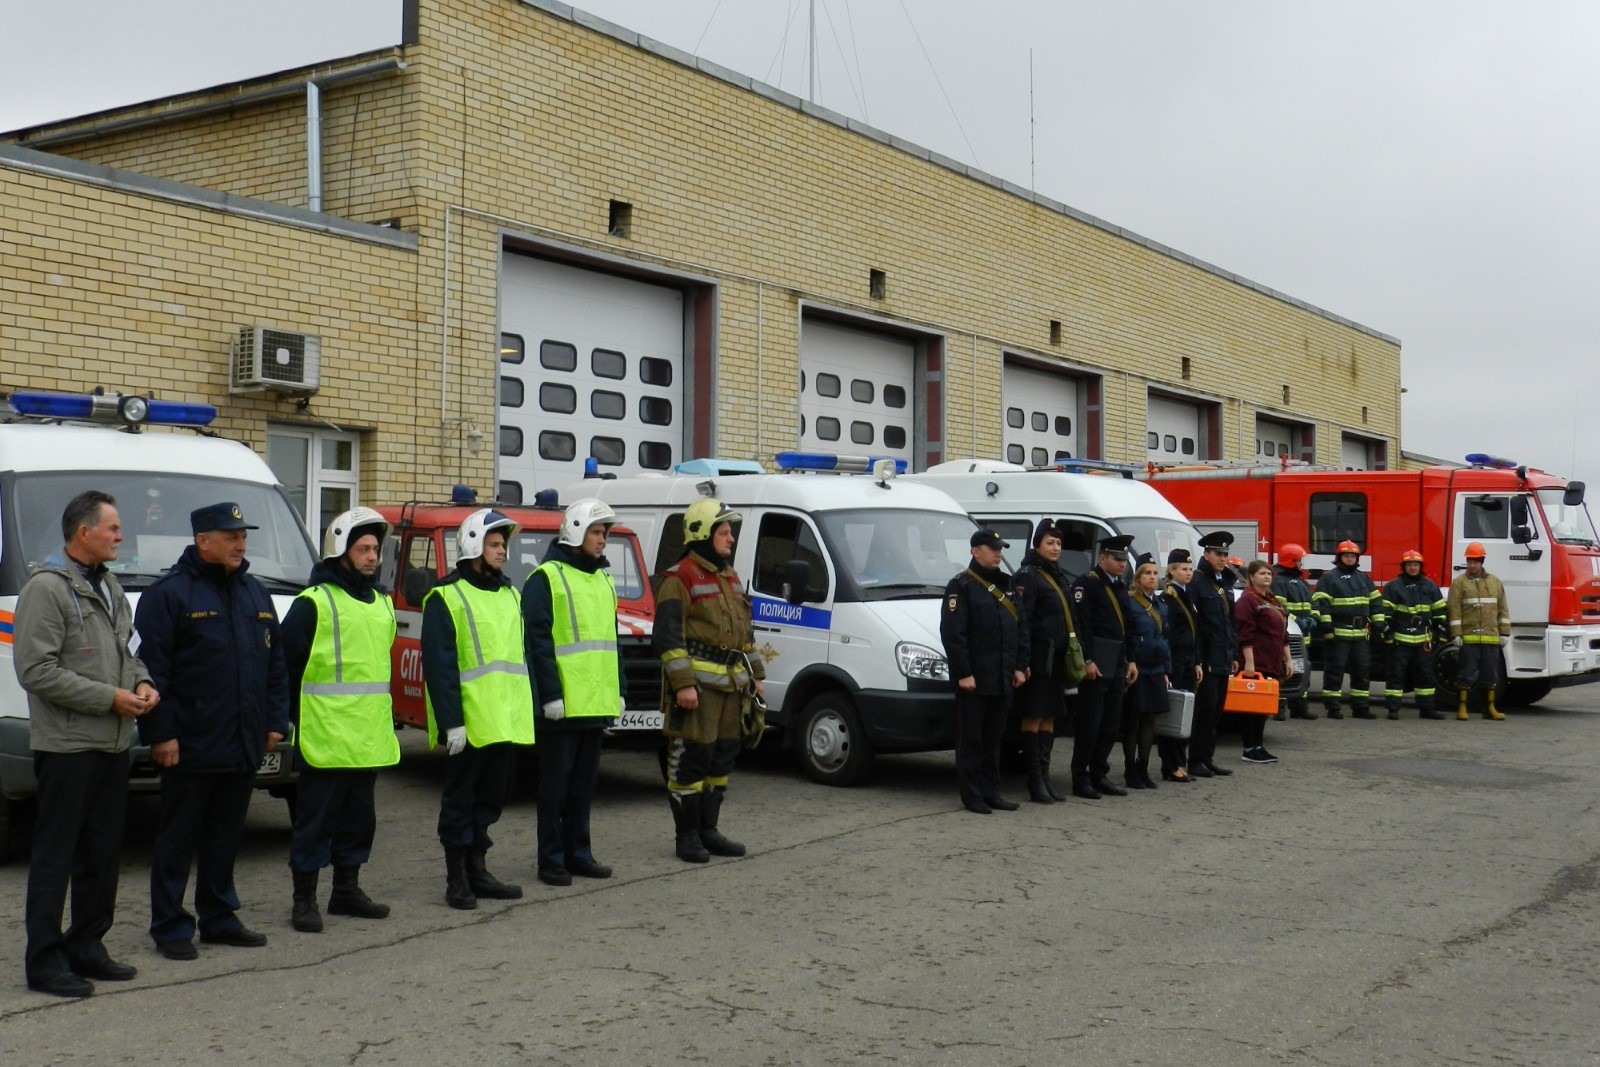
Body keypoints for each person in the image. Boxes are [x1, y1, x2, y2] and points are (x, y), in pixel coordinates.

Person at [14, 491, 157, 997]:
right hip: (69, 747)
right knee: (57, 856)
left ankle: (88, 946)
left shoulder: (111, 586)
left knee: (101, 853)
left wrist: (141, 684)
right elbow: (35, 671)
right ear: (84, 533)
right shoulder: (47, 589)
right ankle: (46, 963)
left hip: (113, 744)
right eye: (114, 528)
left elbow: (130, 651)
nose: (121, 536)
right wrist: (109, 698)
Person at [135, 502, 290, 960]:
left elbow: (274, 665)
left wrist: (274, 722)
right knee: (179, 838)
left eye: (243, 535)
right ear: (203, 540)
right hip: (190, 743)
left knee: (225, 836)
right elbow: (150, 671)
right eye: (230, 536)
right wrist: (161, 733)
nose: (241, 543)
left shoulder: (255, 594)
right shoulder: (169, 595)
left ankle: (219, 917)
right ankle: (170, 926)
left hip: (242, 740)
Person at [281, 507, 399, 934]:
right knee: (314, 825)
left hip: (366, 737)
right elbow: (284, 667)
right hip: (326, 737)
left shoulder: (382, 604)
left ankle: (346, 891)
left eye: (375, 549)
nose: (372, 557)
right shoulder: (314, 603)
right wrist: (284, 720)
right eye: (363, 549)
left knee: (358, 821)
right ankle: (304, 900)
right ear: (340, 551)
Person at [423, 507, 536, 909]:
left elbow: (518, 659)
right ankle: (457, 878)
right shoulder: (445, 597)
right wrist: (452, 722)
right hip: (469, 724)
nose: (502, 550)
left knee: (491, 799)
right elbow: (440, 667)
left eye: (503, 543)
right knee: (460, 801)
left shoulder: (510, 594)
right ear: (473, 545)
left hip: (504, 720)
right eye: (494, 543)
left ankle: (478, 868)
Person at [523, 498, 625, 886]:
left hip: (594, 701)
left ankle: (578, 853)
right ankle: (550, 859)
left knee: (583, 787)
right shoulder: (546, 578)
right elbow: (537, 642)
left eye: (605, 533)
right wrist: (549, 695)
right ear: (577, 532)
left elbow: (610, 641)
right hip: (562, 706)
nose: (602, 540)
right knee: (555, 788)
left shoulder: (603, 578)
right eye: (597, 532)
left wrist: (620, 690)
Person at [656, 498, 766, 856]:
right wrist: (683, 683)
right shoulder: (679, 577)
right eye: (723, 531)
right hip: (698, 691)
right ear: (702, 533)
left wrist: (757, 675)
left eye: (729, 531)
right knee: (692, 758)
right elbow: (668, 638)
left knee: (721, 758)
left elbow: (744, 633)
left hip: (732, 689)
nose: (730, 538)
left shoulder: (729, 576)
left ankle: (709, 830)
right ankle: (686, 836)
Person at [940, 528, 1027, 814]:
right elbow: (954, 634)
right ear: (975, 551)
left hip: (1001, 676)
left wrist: (1018, 666)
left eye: (1000, 547)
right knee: (972, 740)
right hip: (975, 678)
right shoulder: (961, 586)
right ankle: (972, 795)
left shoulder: (1007, 584)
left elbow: (1019, 628)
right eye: (993, 548)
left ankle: (991, 791)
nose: (999, 552)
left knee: (993, 739)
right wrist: (963, 672)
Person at [1010, 519, 1077, 803]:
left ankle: (1045, 778)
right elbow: (1022, 620)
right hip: (1037, 658)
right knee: (1034, 715)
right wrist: (1022, 660)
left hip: (1055, 659)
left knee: (1049, 716)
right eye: (1050, 542)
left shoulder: (1057, 575)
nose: (1056, 548)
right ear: (1037, 545)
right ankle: (1034, 781)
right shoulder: (1029, 575)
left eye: (1059, 543)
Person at [1067, 534, 1137, 799]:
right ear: (1103, 558)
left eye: (1124, 560)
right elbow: (1080, 624)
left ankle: (1099, 773)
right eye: (1117, 559)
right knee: (1090, 724)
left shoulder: (1120, 586)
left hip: (1117, 661)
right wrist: (1086, 660)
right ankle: (1080, 776)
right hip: (1096, 662)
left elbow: (1127, 626)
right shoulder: (1087, 584)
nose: (1122, 564)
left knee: (1110, 724)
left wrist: (1131, 660)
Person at [1312, 540, 1385, 720]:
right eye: (1346, 555)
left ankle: (1360, 707)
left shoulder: (1363, 578)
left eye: (1353, 556)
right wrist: (1327, 629)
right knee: (1335, 670)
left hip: (1360, 634)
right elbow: (1322, 604)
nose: (1350, 558)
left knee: (1362, 670)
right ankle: (1333, 707)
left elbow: (1376, 602)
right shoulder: (1329, 578)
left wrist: (1378, 625)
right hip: (1338, 633)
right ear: (1339, 557)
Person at [1189, 531, 1237, 778]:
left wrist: (1234, 654)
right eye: (1218, 554)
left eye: (1225, 554)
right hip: (1207, 658)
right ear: (1206, 554)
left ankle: (1207, 758)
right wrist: (1197, 659)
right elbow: (1195, 625)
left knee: (1216, 710)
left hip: (1222, 657)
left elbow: (1229, 623)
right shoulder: (1197, 581)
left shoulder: (1223, 582)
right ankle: (1195, 759)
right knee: (1204, 710)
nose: (1223, 558)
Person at [1234, 560, 1290, 763]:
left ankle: (1258, 745)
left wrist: (1288, 658)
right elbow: (1244, 633)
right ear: (1251, 577)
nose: (1267, 576)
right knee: (1250, 706)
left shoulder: (1272, 600)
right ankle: (1249, 748)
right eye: (1262, 573)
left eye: (1269, 573)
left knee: (1262, 706)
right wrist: (1248, 663)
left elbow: (1283, 632)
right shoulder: (1247, 601)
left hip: (1271, 660)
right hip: (1256, 661)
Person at [1381, 549, 1448, 720]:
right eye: (1409, 565)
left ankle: (1427, 709)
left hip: (1423, 640)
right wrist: (1387, 634)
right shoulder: (1393, 586)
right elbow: (1385, 613)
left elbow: (1440, 612)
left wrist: (1440, 631)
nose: (1412, 568)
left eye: (1415, 565)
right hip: (1400, 640)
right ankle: (1393, 709)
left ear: (1420, 566)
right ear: (1404, 567)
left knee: (1425, 675)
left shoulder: (1430, 586)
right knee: (1396, 675)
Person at [1122, 553, 1170, 789]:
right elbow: (1128, 636)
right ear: (1138, 578)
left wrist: (1166, 670)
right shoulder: (1130, 603)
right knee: (1134, 720)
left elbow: (1165, 639)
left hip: (1156, 668)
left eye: (1154, 573)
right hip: (1138, 668)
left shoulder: (1161, 605)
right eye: (1147, 573)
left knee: (1150, 719)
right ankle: (1130, 768)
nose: (1152, 577)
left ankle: (1143, 766)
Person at [1447, 541, 1510, 721]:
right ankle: (1461, 707)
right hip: (1469, 638)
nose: (1472, 565)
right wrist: (1456, 634)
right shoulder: (1459, 583)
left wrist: (1504, 632)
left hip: (1491, 638)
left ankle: (1489, 708)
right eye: (1469, 561)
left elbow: (1502, 608)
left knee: (1490, 675)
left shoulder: (1495, 582)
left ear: (1482, 562)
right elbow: (1454, 610)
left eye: (1475, 561)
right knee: (1465, 674)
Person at [1158, 549, 1201, 783]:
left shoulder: (1187, 595)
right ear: (1172, 571)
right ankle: (1171, 764)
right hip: (1175, 662)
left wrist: (1197, 661)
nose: (1188, 572)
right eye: (1183, 569)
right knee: (1174, 715)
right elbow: (1170, 636)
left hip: (1187, 662)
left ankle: (1180, 762)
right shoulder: (1169, 597)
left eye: (1190, 569)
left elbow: (1194, 633)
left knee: (1186, 716)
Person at [1270, 544, 1319, 720]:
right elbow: (1280, 609)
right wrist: (1298, 623)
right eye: (1299, 560)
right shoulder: (1279, 582)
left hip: (1303, 638)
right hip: (1289, 636)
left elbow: (1315, 604)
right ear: (1290, 561)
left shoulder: (1302, 582)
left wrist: (1313, 619)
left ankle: (1300, 708)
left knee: (1301, 672)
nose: (1301, 564)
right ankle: (1279, 708)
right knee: (1285, 671)